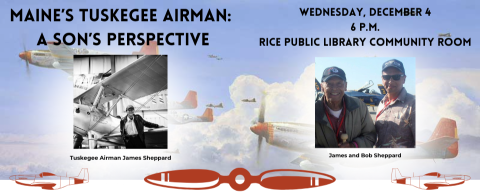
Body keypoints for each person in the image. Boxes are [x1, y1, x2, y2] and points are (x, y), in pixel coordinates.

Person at [315, 67, 376, 148]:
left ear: (345, 86)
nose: (334, 88)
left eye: (339, 83)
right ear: (322, 87)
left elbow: (370, 136)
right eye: (329, 84)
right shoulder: (313, 111)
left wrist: (353, 146)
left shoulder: (360, 107)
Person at [375, 59, 415, 148]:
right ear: (382, 79)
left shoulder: (413, 104)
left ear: (404, 79)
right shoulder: (381, 104)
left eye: (396, 77)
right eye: (386, 77)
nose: (390, 81)